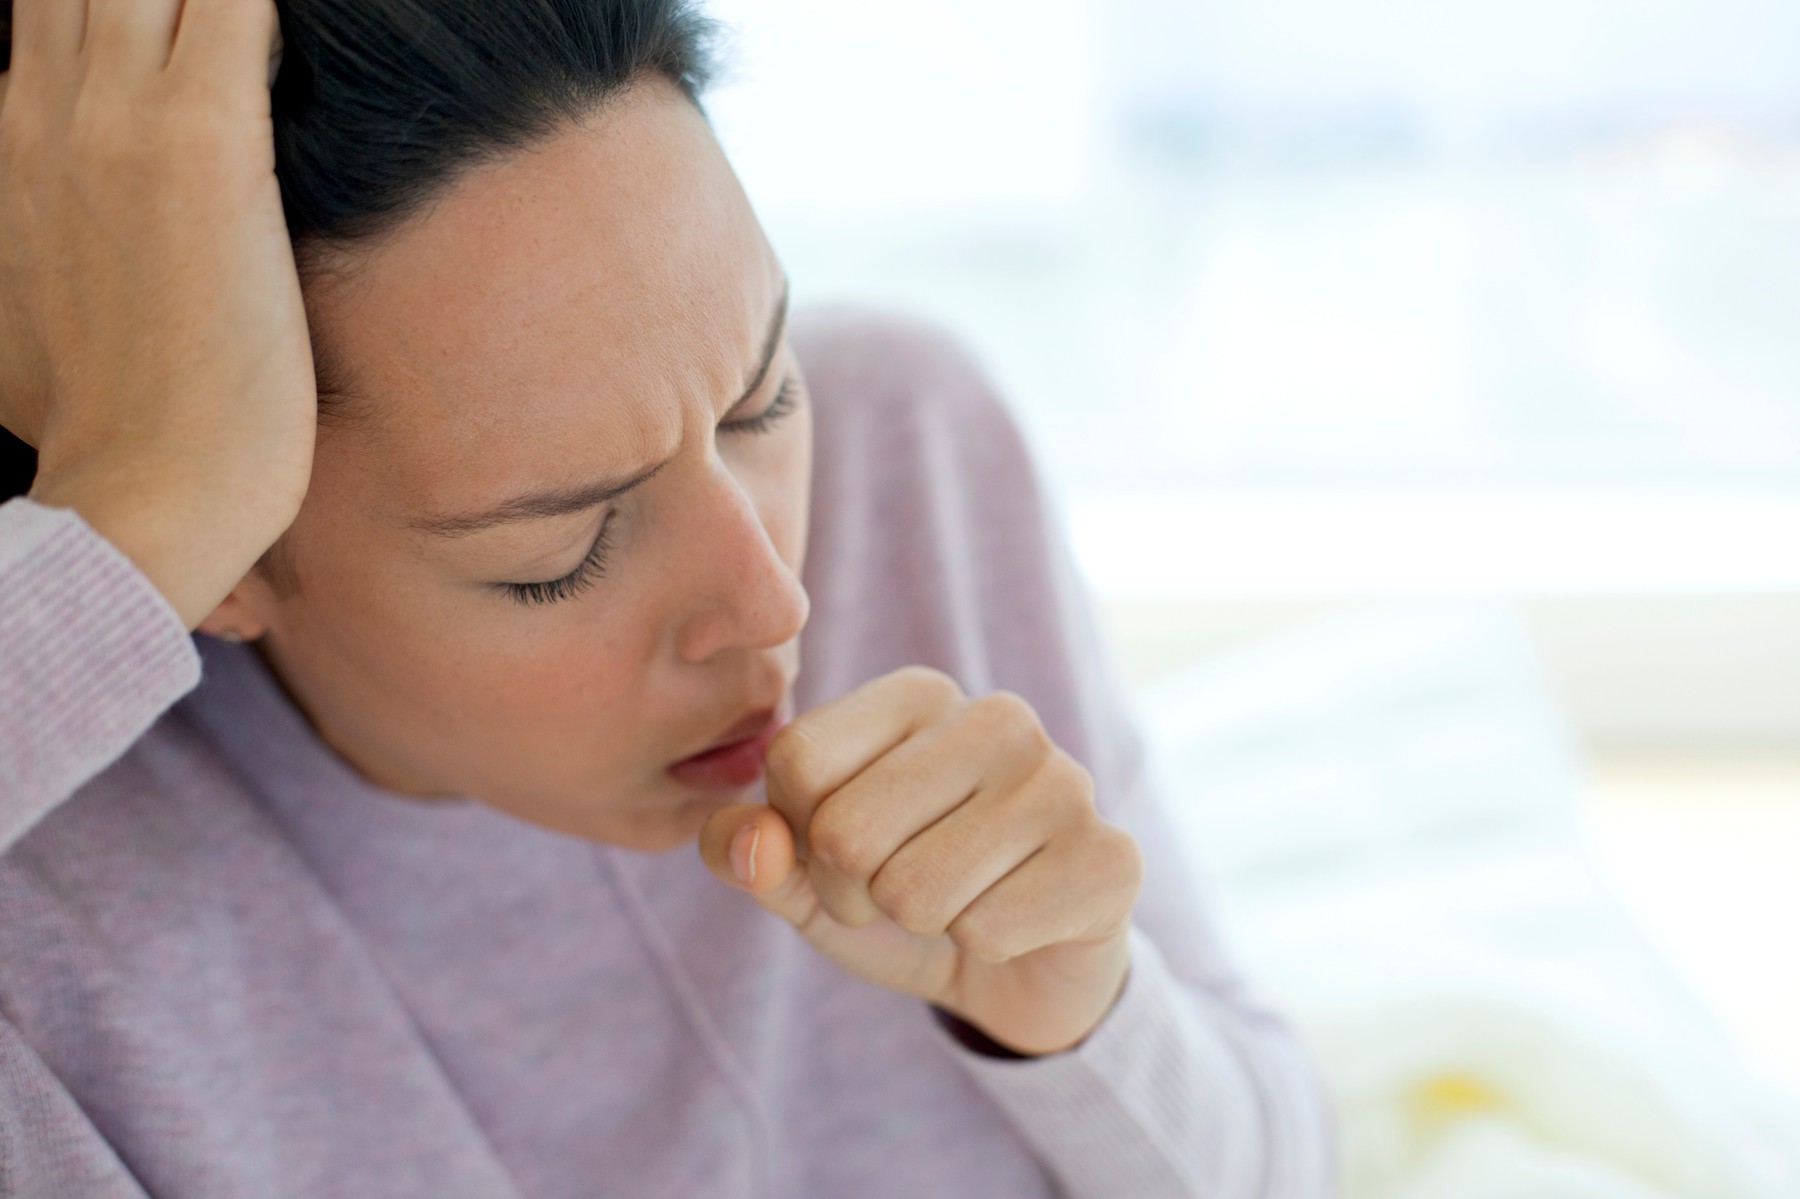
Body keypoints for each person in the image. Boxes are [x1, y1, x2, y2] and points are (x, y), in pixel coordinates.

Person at [0, 1, 1336, 1194]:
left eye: (762, 400)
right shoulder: (52, 913)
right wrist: (139, 503)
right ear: (223, 553)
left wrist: (1077, 1017)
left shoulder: (909, 452)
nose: (776, 603)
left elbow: (1287, 1172)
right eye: (560, 552)